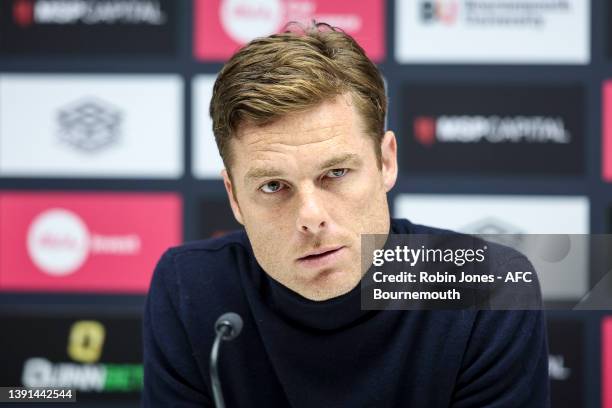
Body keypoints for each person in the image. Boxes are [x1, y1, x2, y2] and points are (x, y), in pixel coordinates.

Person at [142, 23, 549, 407]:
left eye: (335, 173)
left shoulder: (488, 288)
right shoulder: (189, 288)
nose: (311, 216)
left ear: (385, 162)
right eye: (273, 186)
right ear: (234, 197)